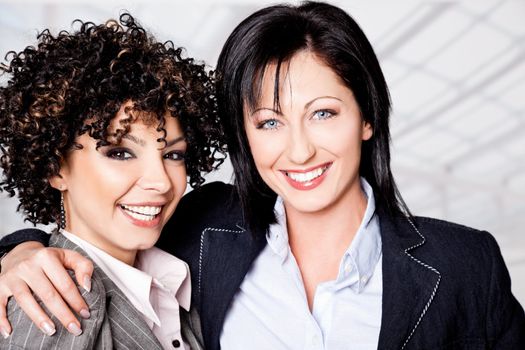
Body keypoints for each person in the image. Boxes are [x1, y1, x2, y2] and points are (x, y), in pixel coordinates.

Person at [1, 2, 524, 349]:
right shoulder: (203, 230)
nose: (299, 150)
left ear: (366, 117)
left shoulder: (465, 265)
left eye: (323, 113)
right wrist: (21, 250)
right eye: (269, 121)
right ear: (244, 136)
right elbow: (91, 237)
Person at [0, 13, 226, 349]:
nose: (161, 182)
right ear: (55, 168)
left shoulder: (184, 272)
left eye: (173, 155)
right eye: (120, 153)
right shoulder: (55, 306)